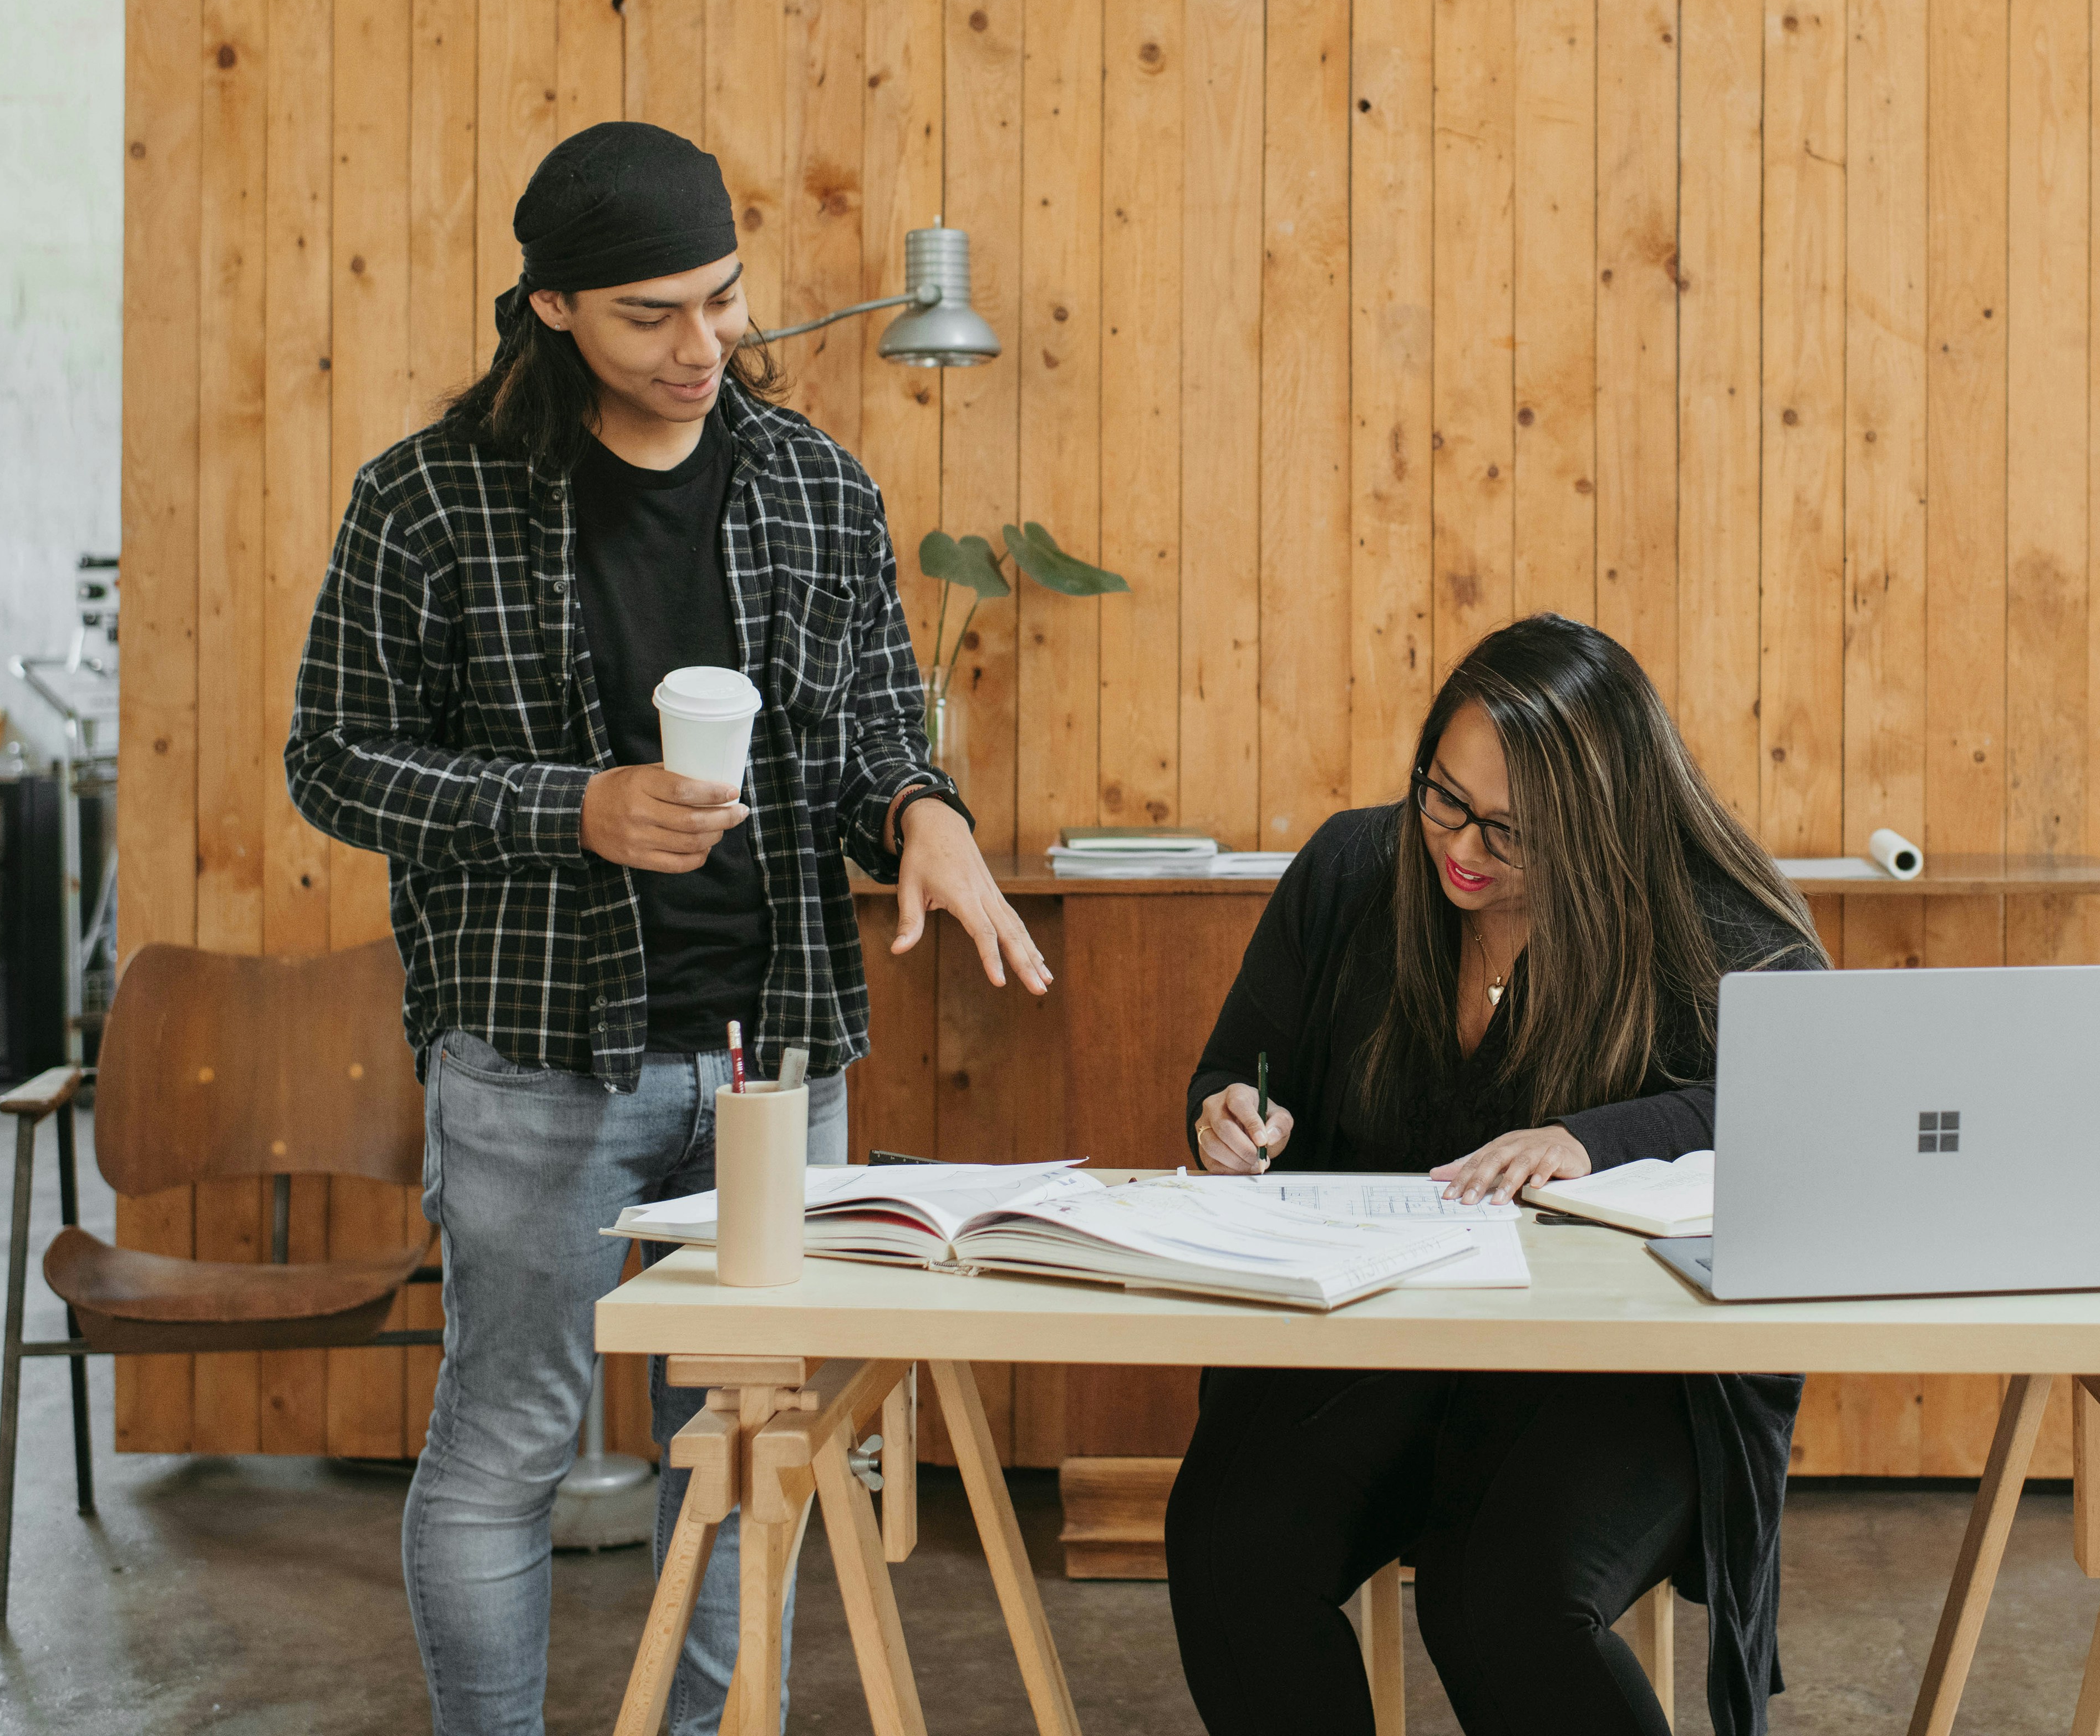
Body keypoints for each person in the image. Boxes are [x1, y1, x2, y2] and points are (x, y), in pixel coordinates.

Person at [284, 120, 1048, 1736]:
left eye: (722, 301)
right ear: (552, 307)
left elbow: (860, 745)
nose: (704, 347)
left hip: (776, 1066)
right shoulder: (428, 501)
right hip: (534, 1060)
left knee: (754, 1444)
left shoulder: (819, 489)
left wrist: (927, 819)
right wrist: (575, 806)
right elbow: (334, 763)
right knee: (509, 1438)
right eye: (652, 315)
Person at [1165, 613, 1826, 1736]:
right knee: (1229, 1542)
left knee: (1503, 1596)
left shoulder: (1717, 930)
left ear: (1603, 825)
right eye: (1444, 796)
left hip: (1625, 1373)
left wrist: (1594, 1135)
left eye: (1510, 830)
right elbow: (1243, 1063)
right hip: (1389, 1337)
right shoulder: (1354, 870)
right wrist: (1228, 1110)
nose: (1463, 846)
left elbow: (1806, 1106)